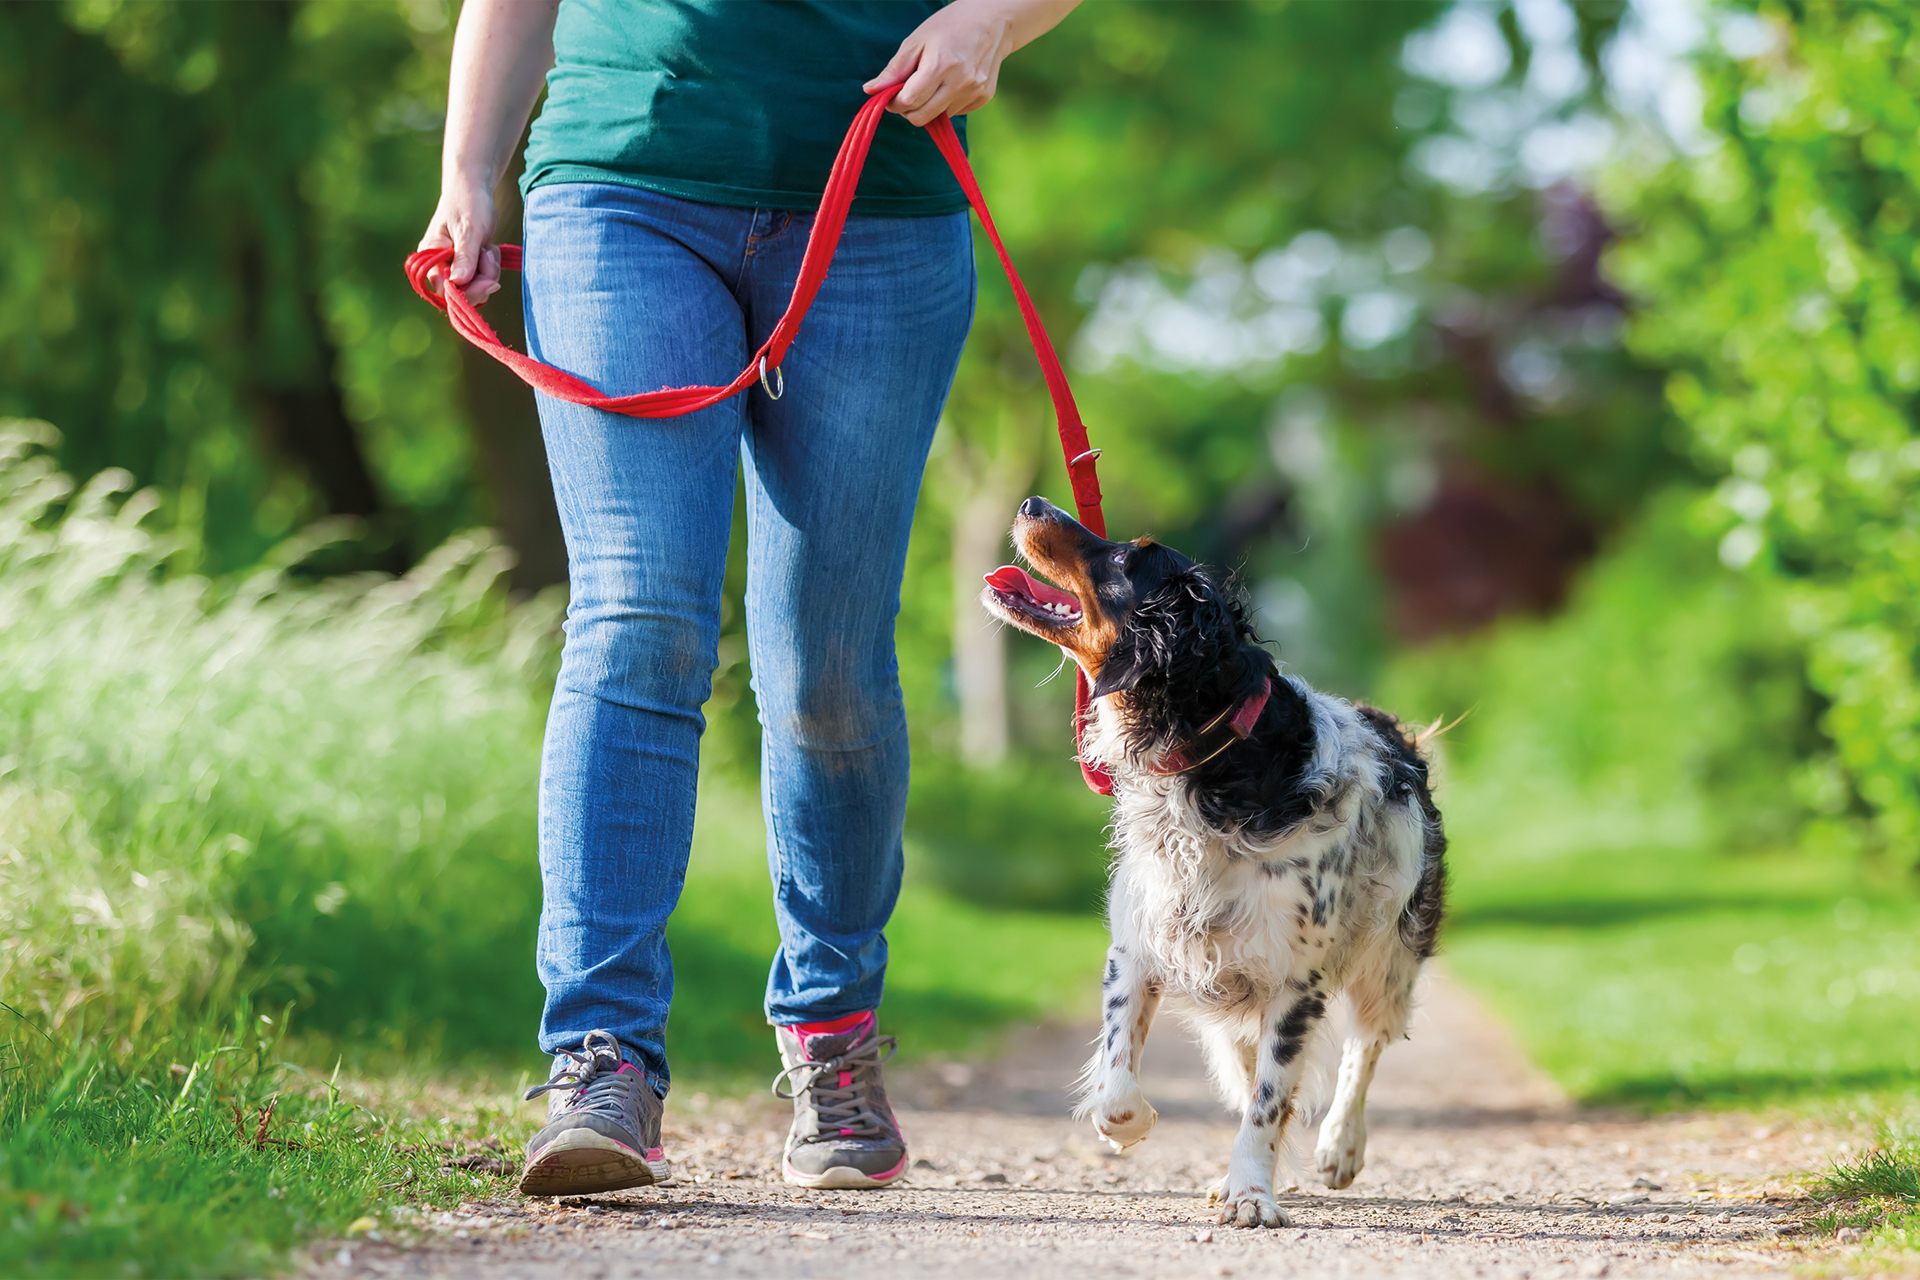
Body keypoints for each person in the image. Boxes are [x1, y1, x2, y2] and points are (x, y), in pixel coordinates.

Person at [418, 0, 1080, 1197]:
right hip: (625, 183)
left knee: (824, 659)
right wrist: (470, 169)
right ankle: (600, 1057)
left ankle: (832, 1034)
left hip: (880, 200)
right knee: (636, 620)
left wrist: (991, 18)